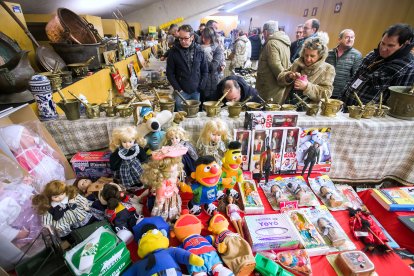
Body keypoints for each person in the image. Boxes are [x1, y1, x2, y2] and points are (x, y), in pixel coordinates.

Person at [342, 23, 414, 107]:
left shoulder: (409, 68)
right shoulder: (372, 55)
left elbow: (397, 103)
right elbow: (355, 77)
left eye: (390, 45)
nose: (383, 49)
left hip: (368, 117)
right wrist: (341, 98)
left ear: (404, 45)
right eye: (382, 43)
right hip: (345, 108)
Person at [278, 33, 335, 106]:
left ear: (320, 56)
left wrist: (307, 87)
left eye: (312, 56)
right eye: (306, 55)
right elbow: (280, 79)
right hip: (288, 105)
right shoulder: (298, 62)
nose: (308, 59)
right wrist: (289, 76)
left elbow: (326, 94)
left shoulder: (328, 69)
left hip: (309, 110)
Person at [166, 24, 208, 111]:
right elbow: (169, 73)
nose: (183, 41)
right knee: (180, 117)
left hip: (196, 91)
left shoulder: (200, 50)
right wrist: (178, 88)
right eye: (181, 38)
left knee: (194, 115)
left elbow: (205, 71)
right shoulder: (174, 52)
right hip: (180, 92)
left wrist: (201, 86)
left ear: (192, 37)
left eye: (186, 38)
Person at [256, 20, 291, 104]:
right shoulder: (284, 42)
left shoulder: (271, 43)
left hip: (270, 87)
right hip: (277, 86)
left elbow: (276, 66)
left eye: (263, 33)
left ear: (266, 32)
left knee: (268, 113)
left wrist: (284, 78)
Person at [326, 29, 363, 99]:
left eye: (352, 37)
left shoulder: (357, 55)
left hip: (342, 94)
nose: (350, 40)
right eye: (347, 37)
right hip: (326, 90)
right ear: (339, 39)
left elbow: (358, 77)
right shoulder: (329, 53)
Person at [199, 27, 223, 102]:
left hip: (211, 80)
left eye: (206, 38)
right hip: (199, 80)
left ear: (211, 37)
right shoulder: (198, 47)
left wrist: (203, 55)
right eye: (202, 37)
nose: (203, 40)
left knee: (210, 103)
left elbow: (213, 67)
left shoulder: (217, 48)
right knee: (199, 103)